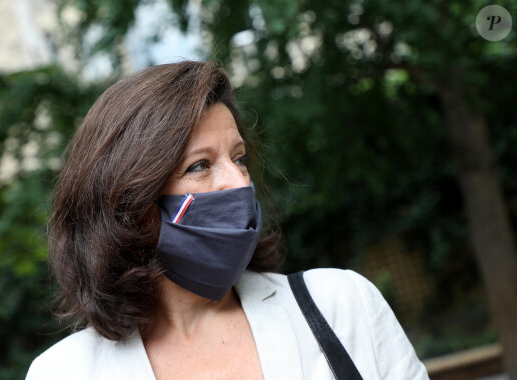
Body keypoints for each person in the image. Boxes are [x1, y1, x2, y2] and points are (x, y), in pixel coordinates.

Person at [26, 61, 428, 379]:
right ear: (129, 204)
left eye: (239, 159)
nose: (238, 183)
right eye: (200, 166)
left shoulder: (343, 305)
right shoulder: (65, 372)